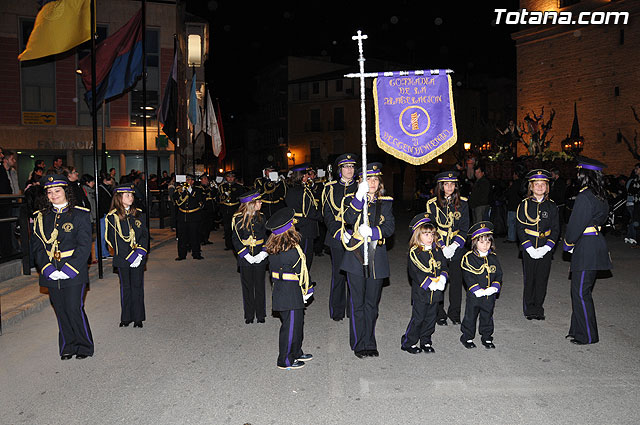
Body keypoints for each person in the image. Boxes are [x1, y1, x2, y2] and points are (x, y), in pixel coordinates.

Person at [31, 175, 93, 360]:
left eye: (57, 191)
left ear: (66, 191)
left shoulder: (80, 214)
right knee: (60, 309)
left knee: (74, 308)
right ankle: (68, 345)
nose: (53, 195)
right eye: (49, 192)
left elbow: (84, 246)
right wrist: (47, 268)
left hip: (73, 270)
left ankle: (84, 345)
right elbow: (37, 246)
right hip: (50, 269)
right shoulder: (41, 217)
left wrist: (68, 269)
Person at [341, 162, 395, 359]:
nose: (372, 182)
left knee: (372, 304)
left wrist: (372, 232)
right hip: (355, 257)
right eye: (367, 179)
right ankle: (358, 342)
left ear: (379, 181)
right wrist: (358, 198)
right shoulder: (351, 198)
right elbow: (347, 217)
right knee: (358, 304)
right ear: (360, 181)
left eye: (375, 179)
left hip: (376, 258)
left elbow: (389, 228)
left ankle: (369, 341)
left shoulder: (386, 202)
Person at [563, 156, 612, 345]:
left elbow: (576, 224)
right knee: (580, 291)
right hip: (595, 243)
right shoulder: (600, 195)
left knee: (581, 293)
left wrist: (568, 244)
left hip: (586, 247)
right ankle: (577, 330)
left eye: (579, 171)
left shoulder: (585, 196)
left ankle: (588, 335)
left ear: (585, 175)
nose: (577, 174)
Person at [265, 207, 314, 370]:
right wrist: (307, 289)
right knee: (290, 327)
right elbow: (302, 271)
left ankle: (296, 352)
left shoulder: (278, 248)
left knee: (297, 324)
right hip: (290, 293)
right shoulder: (291, 251)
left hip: (286, 291)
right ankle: (284, 359)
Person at [425, 171, 470, 326]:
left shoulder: (463, 203)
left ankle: (455, 312)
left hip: (457, 247)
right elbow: (431, 228)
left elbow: (465, 228)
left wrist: (455, 245)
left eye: (452, 184)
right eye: (446, 184)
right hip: (438, 246)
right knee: (438, 280)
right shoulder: (432, 204)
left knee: (457, 281)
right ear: (441, 186)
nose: (449, 187)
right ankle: (439, 312)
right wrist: (442, 246)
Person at [400, 213, 448, 354]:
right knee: (419, 318)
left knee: (431, 318)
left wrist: (443, 278)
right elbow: (415, 272)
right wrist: (429, 283)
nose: (430, 238)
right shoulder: (415, 252)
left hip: (436, 293)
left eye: (432, 234)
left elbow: (444, 266)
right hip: (422, 293)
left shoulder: (437, 250)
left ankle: (426, 341)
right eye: (426, 234)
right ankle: (409, 342)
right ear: (418, 235)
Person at [516, 169, 560, 320]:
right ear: (531, 187)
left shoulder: (552, 206)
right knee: (530, 279)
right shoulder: (524, 205)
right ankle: (529, 308)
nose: (540, 187)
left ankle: (538, 308)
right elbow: (520, 228)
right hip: (529, 248)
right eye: (537, 184)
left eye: (543, 184)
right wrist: (528, 247)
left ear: (547, 187)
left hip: (545, 247)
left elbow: (556, 229)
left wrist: (548, 247)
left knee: (542, 280)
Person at [105, 184, 148, 328]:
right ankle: (126, 317)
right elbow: (114, 240)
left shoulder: (139, 214)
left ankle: (138, 317)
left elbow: (144, 235)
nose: (131, 197)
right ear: (119, 198)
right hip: (123, 258)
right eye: (127, 195)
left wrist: (140, 253)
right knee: (126, 287)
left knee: (137, 286)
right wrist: (131, 257)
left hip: (139, 257)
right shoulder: (112, 217)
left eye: (132, 195)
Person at [322, 153, 357, 321]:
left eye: (351, 166)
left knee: (354, 274)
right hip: (337, 235)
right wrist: (338, 232)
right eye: (346, 166)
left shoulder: (361, 187)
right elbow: (327, 214)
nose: (349, 170)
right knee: (338, 274)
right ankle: (337, 311)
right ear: (339, 170)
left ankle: (352, 310)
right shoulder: (329, 187)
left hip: (356, 235)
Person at [460, 221, 503, 349]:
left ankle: (487, 336)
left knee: (487, 315)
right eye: (482, 242)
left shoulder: (493, 257)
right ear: (474, 242)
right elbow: (468, 275)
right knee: (470, 316)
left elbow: (499, 274)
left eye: (488, 242)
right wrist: (476, 289)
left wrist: (495, 287)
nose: (485, 245)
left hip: (489, 295)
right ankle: (467, 337)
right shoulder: (468, 258)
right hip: (475, 295)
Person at [232, 189, 268, 324]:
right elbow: (235, 239)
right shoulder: (237, 218)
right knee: (247, 286)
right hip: (245, 257)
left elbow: (266, 236)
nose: (261, 203)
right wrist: (245, 255)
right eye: (259, 201)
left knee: (260, 285)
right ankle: (249, 314)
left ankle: (261, 314)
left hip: (260, 254)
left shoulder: (262, 216)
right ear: (251, 204)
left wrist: (264, 252)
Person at [285, 163, 322, 271]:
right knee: (306, 255)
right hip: (306, 226)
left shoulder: (291, 189)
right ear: (302, 176)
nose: (308, 177)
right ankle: (304, 282)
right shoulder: (303, 191)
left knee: (297, 254)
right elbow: (309, 211)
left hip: (295, 224)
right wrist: (321, 217)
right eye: (306, 175)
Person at [173, 174, 204, 260]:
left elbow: (199, 199)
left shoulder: (198, 190)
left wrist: (190, 191)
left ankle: (196, 253)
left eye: (189, 180)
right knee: (182, 237)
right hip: (182, 216)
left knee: (195, 236)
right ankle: (182, 255)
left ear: (192, 181)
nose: (187, 182)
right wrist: (182, 191)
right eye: (186, 180)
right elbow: (175, 200)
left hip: (194, 216)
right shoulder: (179, 190)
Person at [219, 171, 246, 250]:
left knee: (236, 228)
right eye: (228, 177)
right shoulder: (222, 186)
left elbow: (242, 198)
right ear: (226, 178)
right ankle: (228, 245)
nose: (230, 178)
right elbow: (219, 198)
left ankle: (237, 245)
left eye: (232, 177)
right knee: (227, 228)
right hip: (226, 209)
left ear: (234, 178)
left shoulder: (239, 187)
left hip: (235, 209)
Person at [97, 174, 114, 259]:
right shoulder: (100, 189)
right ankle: (99, 253)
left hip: (105, 213)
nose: (112, 181)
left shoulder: (106, 188)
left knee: (105, 235)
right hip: (103, 214)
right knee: (101, 235)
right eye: (110, 179)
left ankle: (105, 252)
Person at [199, 174, 215, 245]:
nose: (206, 180)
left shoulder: (209, 187)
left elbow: (214, 194)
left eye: (207, 179)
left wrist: (214, 188)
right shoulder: (199, 188)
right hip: (203, 209)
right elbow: (202, 196)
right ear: (201, 180)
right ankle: (202, 239)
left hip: (210, 208)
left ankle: (206, 238)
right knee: (202, 225)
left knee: (209, 225)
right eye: (204, 179)